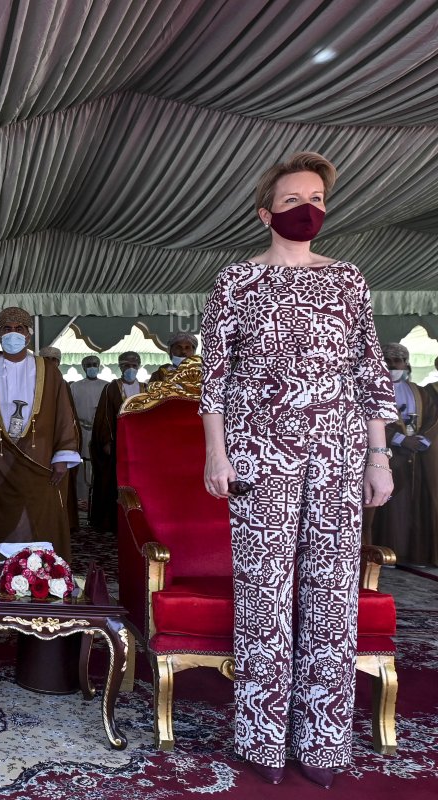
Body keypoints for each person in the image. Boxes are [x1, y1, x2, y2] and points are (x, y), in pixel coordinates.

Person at [200, 152, 396, 788]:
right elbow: (216, 381)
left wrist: (379, 454)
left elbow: (369, 371)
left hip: (339, 457)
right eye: (292, 200)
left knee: (331, 600)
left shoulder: (348, 280)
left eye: (315, 197)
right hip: (260, 457)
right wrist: (215, 451)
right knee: (265, 600)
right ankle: (260, 738)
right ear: (266, 212)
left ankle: (323, 743)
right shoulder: (234, 283)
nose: (307, 208)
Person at [0, 307, 79, 572]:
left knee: (39, 517)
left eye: (19, 329)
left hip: (40, 459)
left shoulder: (48, 370)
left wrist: (62, 456)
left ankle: (42, 575)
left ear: (29, 336)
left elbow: (64, 415)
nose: (13, 334)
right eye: (7, 329)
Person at [364, 343, 437, 565]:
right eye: (388, 361)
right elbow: (370, 421)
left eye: (397, 361)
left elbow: (433, 418)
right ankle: (381, 556)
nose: (393, 366)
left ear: (406, 363)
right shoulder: (371, 390)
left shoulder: (421, 392)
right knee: (387, 510)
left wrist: (422, 440)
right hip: (386, 458)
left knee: (414, 506)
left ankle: (412, 555)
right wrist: (401, 439)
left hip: (416, 458)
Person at [88, 351, 145, 532]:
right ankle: (111, 521)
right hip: (116, 444)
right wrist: (106, 442)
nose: (130, 369)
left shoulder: (146, 388)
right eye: (126, 365)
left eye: (134, 365)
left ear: (139, 366)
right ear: (120, 367)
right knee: (112, 482)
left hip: (139, 446)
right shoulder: (111, 388)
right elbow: (103, 417)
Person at [69, 354, 107, 504]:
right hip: (81, 430)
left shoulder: (107, 385)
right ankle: (81, 499)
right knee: (81, 464)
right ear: (83, 368)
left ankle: (96, 499)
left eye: (95, 364)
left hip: (99, 432)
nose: (92, 367)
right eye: (89, 364)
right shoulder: (75, 386)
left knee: (97, 463)